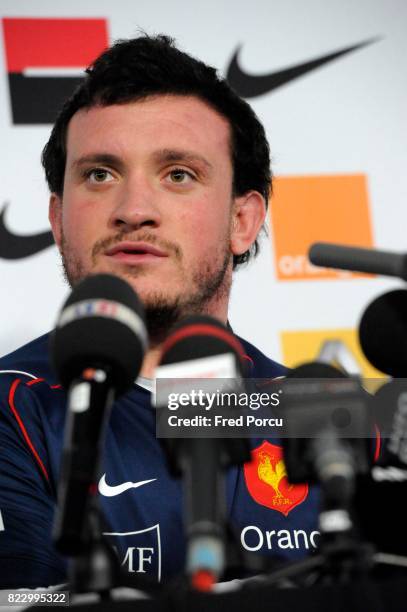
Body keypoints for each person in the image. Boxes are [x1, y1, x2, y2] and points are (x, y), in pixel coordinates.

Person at [0, 34, 319, 588]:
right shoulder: (11, 408)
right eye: (100, 174)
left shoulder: (338, 412)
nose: (134, 210)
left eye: (178, 174)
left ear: (242, 221)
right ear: (57, 219)